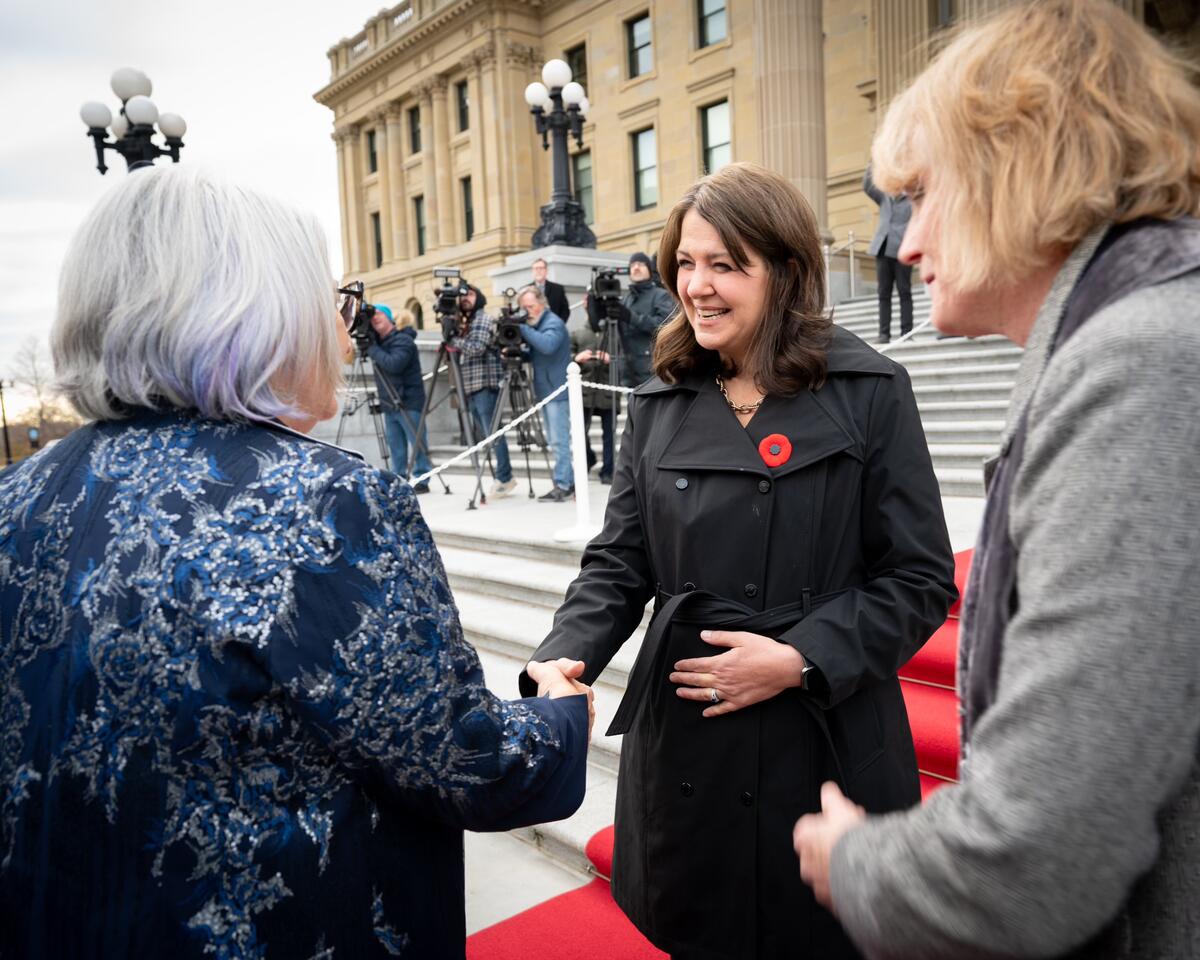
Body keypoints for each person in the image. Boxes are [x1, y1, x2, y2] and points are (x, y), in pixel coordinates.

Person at [0, 165, 594, 959]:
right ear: (256, 315)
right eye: (326, 297)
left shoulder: (18, 497)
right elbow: (467, 760)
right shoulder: (325, 502)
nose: (339, 324)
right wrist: (560, 712)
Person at [793, 3, 1200, 958]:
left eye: (922, 194)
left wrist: (856, 861)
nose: (902, 244)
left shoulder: (1141, 365)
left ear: (1019, 167)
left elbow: (1033, 856)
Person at [522, 162, 957, 959]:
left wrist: (799, 659)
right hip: (690, 748)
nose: (698, 286)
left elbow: (920, 576)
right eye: (685, 263)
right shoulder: (661, 403)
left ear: (785, 271)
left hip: (823, 735)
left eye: (726, 265)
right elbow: (620, 562)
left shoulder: (870, 389)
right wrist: (563, 657)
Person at [450, 284, 517, 498]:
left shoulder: (482, 319)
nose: (465, 299)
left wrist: (453, 340)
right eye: (462, 296)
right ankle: (502, 476)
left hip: (485, 384)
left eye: (470, 294)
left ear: (478, 297)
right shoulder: (465, 323)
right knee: (487, 435)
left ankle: (505, 477)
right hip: (471, 386)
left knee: (494, 433)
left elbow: (477, 347)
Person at [364, 304, 434, 491]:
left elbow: (394, 364)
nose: (375, 317)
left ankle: (422, 478)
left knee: (417, 442)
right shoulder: (378, 344)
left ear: (391, 319)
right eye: (372, 316)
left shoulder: (404, 340)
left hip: (409, 401)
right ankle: (398, 479)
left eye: (379, 314)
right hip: (389, 403)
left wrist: (371, 348)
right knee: (396, 447)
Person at [516, 285, 574, 502]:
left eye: (530, 306)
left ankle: (563, 484)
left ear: (542, 304)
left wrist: (522, 329)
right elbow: (536, 354)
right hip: (548, 390)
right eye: (523, 307)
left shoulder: (553, 323)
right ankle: (567, 480)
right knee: (553, 440)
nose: (526, 311)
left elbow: (548, 346)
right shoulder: (538, 324)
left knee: (559, 441)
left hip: (557, 391)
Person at [590, 251, 675, 387]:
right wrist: (594, 303)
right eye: (633, 265)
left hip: (651, 368)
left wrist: (631, 317)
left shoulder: (661, 295)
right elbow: (603, 328)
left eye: (641, 264)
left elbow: (665, 326)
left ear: (649, 269)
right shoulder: (626, 298)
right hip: (626, 369)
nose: (636, 267)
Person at [863, 164, 912, 343]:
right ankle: (884, 334)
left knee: (904, 291)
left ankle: (907, 333)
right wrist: (874, 160)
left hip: (901, 250)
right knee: (883, 293)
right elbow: (868, 185)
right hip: (882, 249)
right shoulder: (884, 196)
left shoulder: (911, 200)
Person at [569, 319, 618, 484]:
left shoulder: (617, 331)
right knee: (580, 432)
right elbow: (566, 357)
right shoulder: (577, 333)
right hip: (584, 391)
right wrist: (576, 358)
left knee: (609, 434)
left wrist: (613, 359)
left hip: (609, 390)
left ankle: (608, 471)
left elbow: (629, 358)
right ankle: (588, 459)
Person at [532, 256, 571, 323]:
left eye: (541, 268)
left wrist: (559, 324)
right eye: (536, 268)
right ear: (532, 271)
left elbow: (565, 310)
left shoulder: (558, 289)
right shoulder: (526, 290)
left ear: (546, 271)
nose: (538, 271)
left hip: (553, 327)